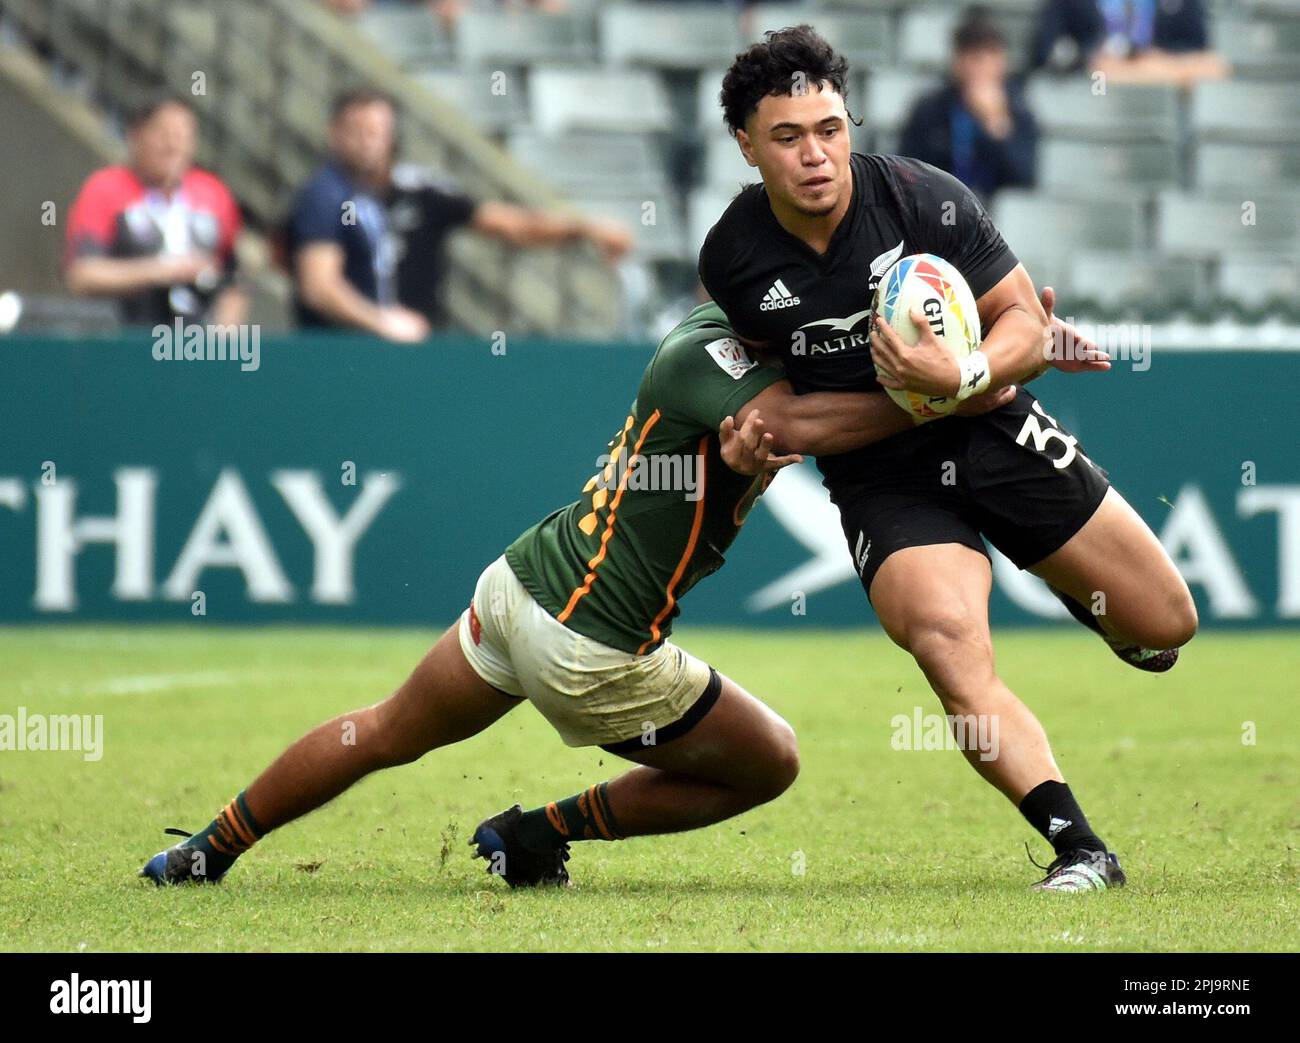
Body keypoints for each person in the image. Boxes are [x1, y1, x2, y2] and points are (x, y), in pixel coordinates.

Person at [138, 299, 1035, 889]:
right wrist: (954, 390)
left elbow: (785, 413)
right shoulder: (716, 360)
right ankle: (537, 832)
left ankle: (203, 851)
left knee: (380, 730)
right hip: (591, 642)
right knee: (772, 761)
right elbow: (792, 420)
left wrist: (1001, 344)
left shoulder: (712, 335)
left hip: (523, 584)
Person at [698, 25, 1198, 892]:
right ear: (745, 144)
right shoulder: (733, 259)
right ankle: (1081, 847)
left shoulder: (923, 198)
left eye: (830, 129)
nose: (817, 155)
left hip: (994, 433)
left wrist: (963, 374)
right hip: (883, 477)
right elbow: (788, 418)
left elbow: (1025, 328)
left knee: (1167, 625)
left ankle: (1088, 598)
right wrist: (927, 395)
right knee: (945, 640)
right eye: (787, 138)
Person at [287, 88, 631, 342]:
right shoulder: (324, 197)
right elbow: (320, 286)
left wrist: (584, 229)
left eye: (376, 132)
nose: (368, 142)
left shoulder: (420, 191)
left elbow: (509, 224)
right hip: (342, 355)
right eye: (357, 132)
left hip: (417, 353)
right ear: (335, 135)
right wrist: (382, 323)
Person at [64, 95, 246, 327]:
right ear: (136, 136)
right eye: (163, 135)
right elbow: (82, 275)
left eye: (183, 136)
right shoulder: (106, 189)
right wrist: (161, 271)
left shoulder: (213, 194)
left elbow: (234, 280)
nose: (173, 146)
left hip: (194, 346)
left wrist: (224, 339)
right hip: (125, 338)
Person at [899, 10, 1037, 201]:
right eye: (972, 56)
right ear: (957, 60)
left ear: (1002, 62)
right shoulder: (929, 109)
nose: (979, 67)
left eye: (988, 56)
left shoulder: (1020, 112)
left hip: (995, 221)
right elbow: (906, 172)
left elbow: (1024, 182)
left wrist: (996, 123)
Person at [1031, 0, 1228, 86]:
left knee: (1213, 66)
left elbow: (1200, 51)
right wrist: (1088, 59)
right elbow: (1043, 51)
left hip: (1160, 87)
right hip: (1097, 87)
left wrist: (1153, 63)